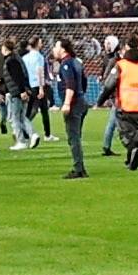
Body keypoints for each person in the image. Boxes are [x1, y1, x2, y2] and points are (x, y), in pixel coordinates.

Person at [100, 39, 138, 170]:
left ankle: (134, 148)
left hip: (125, 104)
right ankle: (133, 155)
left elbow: (109, 84)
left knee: (126, 132)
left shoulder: (121, 65)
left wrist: (101, 100)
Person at [51, 40, 90, 178]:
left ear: (63, 49)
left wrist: (67, 103)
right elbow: (84, 82)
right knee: (76, 136)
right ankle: (80, 167)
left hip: (74, 104)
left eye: (56, 46)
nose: (54, 49)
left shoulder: (66, 64)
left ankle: (79, 169)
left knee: (73, 138)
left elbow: (70, 84)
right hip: (81, 102)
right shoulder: (76, 62)